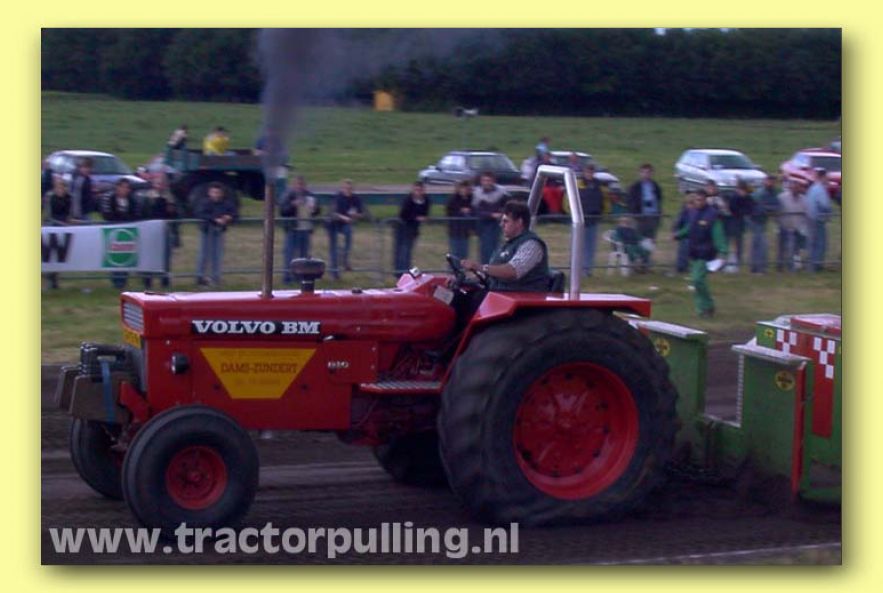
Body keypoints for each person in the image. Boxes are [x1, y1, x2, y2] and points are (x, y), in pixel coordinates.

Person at [461, 200, 549, 292]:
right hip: (498, 293)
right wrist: (466, 281)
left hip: (521, 295)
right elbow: (490, 274)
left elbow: (513, 271)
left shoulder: (531, 245)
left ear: (519, 222)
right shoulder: (506, 245)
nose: (501, 225)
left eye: (506, 221)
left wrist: (480, 267)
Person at [674, 192, 728, 318]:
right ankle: (702, 309)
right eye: (696, 200)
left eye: (700, 200)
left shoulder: (712, 215)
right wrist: (678, 235)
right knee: (697, 282)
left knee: (697, 279)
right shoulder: (693, 213)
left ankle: (707, 306)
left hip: (706, 253)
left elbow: (718, 234)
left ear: (705, 200)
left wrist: (723, 251)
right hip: (694, 252)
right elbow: (689, 228)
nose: (698, 202)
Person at [141, 172, 178, 289]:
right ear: (153, 184)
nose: (160, 186)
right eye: (158, 183)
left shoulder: (170, 198)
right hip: (150, 231)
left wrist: (172, 210)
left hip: (165, 230)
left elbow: (176, 215)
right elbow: (144, 213)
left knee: (165, 257)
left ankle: (164, 280)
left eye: (162, 183)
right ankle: (148, 281)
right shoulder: (147, 197)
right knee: (150, 256)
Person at [102, 179, 141, 290]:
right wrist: (122, 216)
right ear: (117, 187)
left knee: (125, 256)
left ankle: (123, 280)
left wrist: (124, 217)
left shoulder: (132, 200)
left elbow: (136, 214)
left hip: (128, 233)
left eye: (127, 187)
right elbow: (107, 214)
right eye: (122, 187)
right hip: (113, 232)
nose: (125, 190)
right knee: (114, 256)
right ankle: (116, 280)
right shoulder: (110, 198)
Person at [195, 182, 237, 287]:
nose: (216, 195)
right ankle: (200, 277)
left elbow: (234, 213)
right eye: (213, 192)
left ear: (222, 193)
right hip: (206, 231)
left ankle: (216, 277)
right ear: (209, 193)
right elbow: (201, 213)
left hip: (219, 231)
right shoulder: (205, 202)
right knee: (204, 255)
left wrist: (228, 217)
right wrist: (215, 219)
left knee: (217, 255)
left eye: (218, 192)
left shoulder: (226, 203)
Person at [279, 176, 319, 284]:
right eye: (298, 184)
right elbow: (283, 211)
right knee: (289, 254)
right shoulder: (288, 195)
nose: (300, 186)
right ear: (294, 185)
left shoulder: (310, 196)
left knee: (304, 255)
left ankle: (301, 277)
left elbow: (317, 211)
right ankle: (287, 277)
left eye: (302, 184)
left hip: (306, 229)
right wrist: (293, 204)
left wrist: (314, 209)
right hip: (292, 228)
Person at [328, 179, 364, 279]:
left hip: (346, 224)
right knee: (334, 248)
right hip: (333, 224)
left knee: (348, 234)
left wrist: (356, 215)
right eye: (346, 188)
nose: (348, 190)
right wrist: (344, 218)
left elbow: (361, 213)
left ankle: (345, 259)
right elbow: (333, 213)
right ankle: (334, 273)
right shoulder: (337, 198)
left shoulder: (355, 198)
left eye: (350, 189)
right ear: (342, 189)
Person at [393, 181, 431, 275]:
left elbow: (425, 213)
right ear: (413, 190)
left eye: (420, 190)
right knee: (400, 252)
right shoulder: (408, 200)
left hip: (413, 230)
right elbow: (403, 215)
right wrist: (415, 217)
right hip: (402, 228)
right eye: (416, 190)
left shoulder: (426, 200)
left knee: (407, 252)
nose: (418, 192)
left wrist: (424, 217)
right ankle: (399, 273)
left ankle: (404, 272)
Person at [472, 172, 509, 264]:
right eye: (484, 180)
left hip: (497, 224)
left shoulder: (501, 192)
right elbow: (477, 211)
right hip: (484, 224)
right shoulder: (477, 193)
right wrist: (491, 214)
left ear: (493, 181)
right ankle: (485, 268)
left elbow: (507, 205)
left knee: (497, 247)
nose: (486, 183)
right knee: (485, 249)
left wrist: (501, 212)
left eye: (488, 180)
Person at [43, 177, 72, 290]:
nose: (60, 189)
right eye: (57, 187)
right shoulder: (50, 197)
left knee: (61, 254)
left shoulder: (69, 198)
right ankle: (50, 278)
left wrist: (67, 221)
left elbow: (70, 213)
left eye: (62, 187)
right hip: (52, 228)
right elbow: (48, 215)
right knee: (50, 253)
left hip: (64, 228)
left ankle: (55, 277)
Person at [748, 174, 781, 274]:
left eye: (773, 181)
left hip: (762, 221)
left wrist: (770, 209)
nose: (771, 183)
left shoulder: (773, 192)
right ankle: (759, 268)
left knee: (758, 244)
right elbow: (757, 206)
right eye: (769, 181)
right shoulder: (760, 193)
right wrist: (768, 209)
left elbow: (776, 205)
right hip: (755, 220)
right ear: (765, 181)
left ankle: (756, 267)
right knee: (761, 244)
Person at [720, 180, 755, 272]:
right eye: (741, 190)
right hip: (730, 223)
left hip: (739, 224)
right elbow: (733, 209)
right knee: (727, 243)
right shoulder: (734, 198)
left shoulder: (747, 198)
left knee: (739, 243)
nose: (742, 192)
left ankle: (738, 262)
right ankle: (724, 262)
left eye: (743, 191)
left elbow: (751, 208)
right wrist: (742, 212)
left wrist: (743, 212)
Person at [627, 163, 663, 250]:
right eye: (643, 172)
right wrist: (635, 214)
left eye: (648, 172)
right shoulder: (635, 187)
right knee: (639, 241)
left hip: (653, 217)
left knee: (650, 242)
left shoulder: (655, 186)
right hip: (640, 217)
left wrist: (658, 215)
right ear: (640, 173)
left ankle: (647, 257)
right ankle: (638, 256)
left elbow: (659, 200)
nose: (646, 174)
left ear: (652, 173)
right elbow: (630, 202)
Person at [805, 168, 834, 272]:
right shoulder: (820, 189)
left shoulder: (812, 188)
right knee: (820, 243)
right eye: (826, 177)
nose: (827, 179)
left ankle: (811, 265)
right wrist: (829, 212)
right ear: (822, 177)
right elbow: (824, 205)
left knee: (812, 243)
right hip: (818, 220)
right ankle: (817, 265)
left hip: (810, 218)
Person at [777, 179, 808, 271]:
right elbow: (777, 212)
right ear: (790, 188)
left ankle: (792, 266)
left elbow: (806, 214)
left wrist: (803, 228)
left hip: (798, 228)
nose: (796, 189)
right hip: (784, 227)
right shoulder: (782, 198)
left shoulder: (804, 200)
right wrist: (779, 224)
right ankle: (780, 265)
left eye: (798, 188)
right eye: (794, 187)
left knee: (795, 248)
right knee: (782, 248)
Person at [578, 163, 603, 276]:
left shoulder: (598, 185)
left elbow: (602, 200)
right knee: (578, 246)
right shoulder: (578, 184)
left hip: (593, 219)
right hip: (580, 219)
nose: (589, 174)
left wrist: (600, 213)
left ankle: (588, 269)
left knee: (590, 246)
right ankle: (577, 268)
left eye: (591, 172)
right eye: (587, 171)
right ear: (584, 172)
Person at [446, 180, 473, 260]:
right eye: (462, 188)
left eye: (466, 188)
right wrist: (460, 211)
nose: (464, 190)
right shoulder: (453, 199)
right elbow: (449, 212)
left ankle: (462, 267)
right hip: (455, 230)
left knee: (464, 253)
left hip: (465, 231)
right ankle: (453, 267)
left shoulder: (471, 199)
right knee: (455, 252)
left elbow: (474, 210)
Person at [671, 194, 695, 274]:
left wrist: (677, 234)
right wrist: (674, 231)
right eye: (688, 203)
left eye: (691, 203)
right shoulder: (683, 212)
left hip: (692, 235)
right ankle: (681, 267)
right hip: (684, 236)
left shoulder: (696, 213)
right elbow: (677, 222)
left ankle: (687, 267)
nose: (690, 205)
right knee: (682, 249)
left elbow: (690, 226)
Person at [69, 157, 94, 221]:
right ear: (80, 168)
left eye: (89, 168)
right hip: (80, 213)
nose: (87, 170)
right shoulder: (79, 180)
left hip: (85, 211)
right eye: (85, 167)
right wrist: (76, 215)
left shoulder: (86, 178)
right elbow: (75, 198)